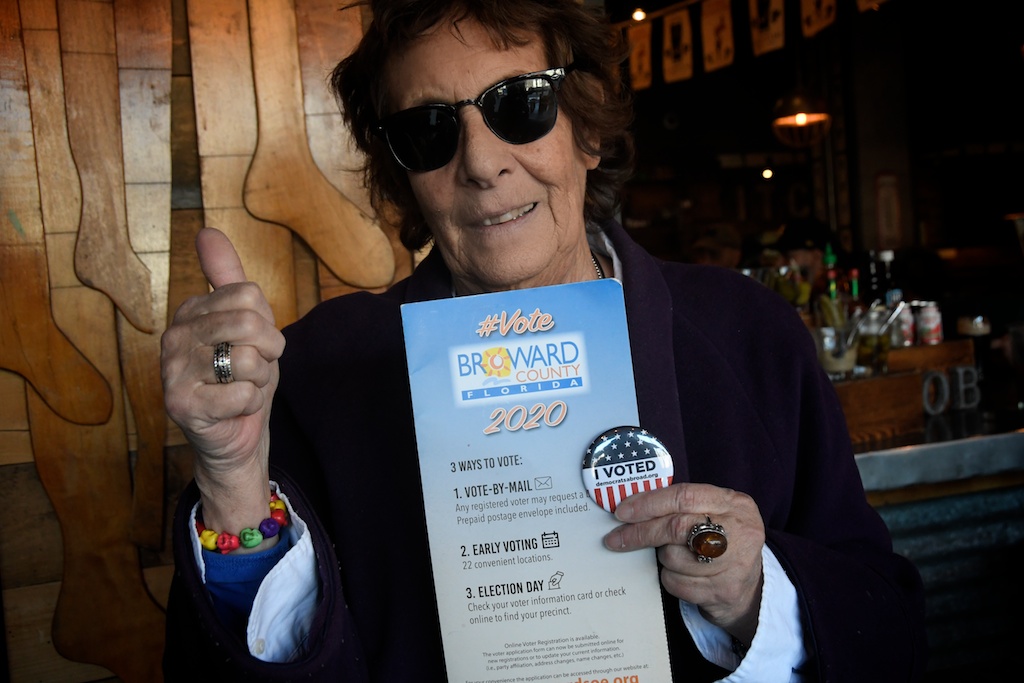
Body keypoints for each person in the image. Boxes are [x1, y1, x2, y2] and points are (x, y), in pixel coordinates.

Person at [161, 1, 927, 680]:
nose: (482, 162)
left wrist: (755, 591)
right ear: (403, 175)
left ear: (587, 127)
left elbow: (889, 631)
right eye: (429, 130)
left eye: (520, 104)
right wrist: (231, 481)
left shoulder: (748, 332)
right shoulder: (320, 375)